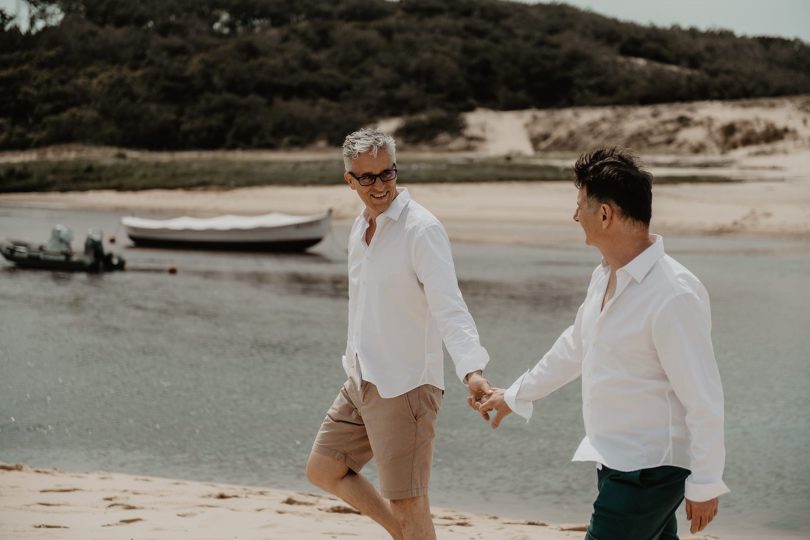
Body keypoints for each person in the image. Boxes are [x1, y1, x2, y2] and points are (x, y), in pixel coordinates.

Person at [474, 147, 728, 539]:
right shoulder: (605, 276)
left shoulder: (673, 294)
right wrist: (516, 395)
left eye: (580, 207)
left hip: (649, 470)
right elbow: (575, 346)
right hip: (615, 461)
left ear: (605, 214)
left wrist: (706, 483)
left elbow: (703, 397)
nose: (575, 217)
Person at [306, 128, 492, 540]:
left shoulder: (420, 229)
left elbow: (450, 306)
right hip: (361, 378)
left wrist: (472, 371)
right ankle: (403, 534)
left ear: (396, 170)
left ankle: (408, 532)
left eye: (386, 174)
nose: (379, 185)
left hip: (405, 387)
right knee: (324, 468)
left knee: (410, 505)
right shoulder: (360, 228)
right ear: (349, 180)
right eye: (367, 177)